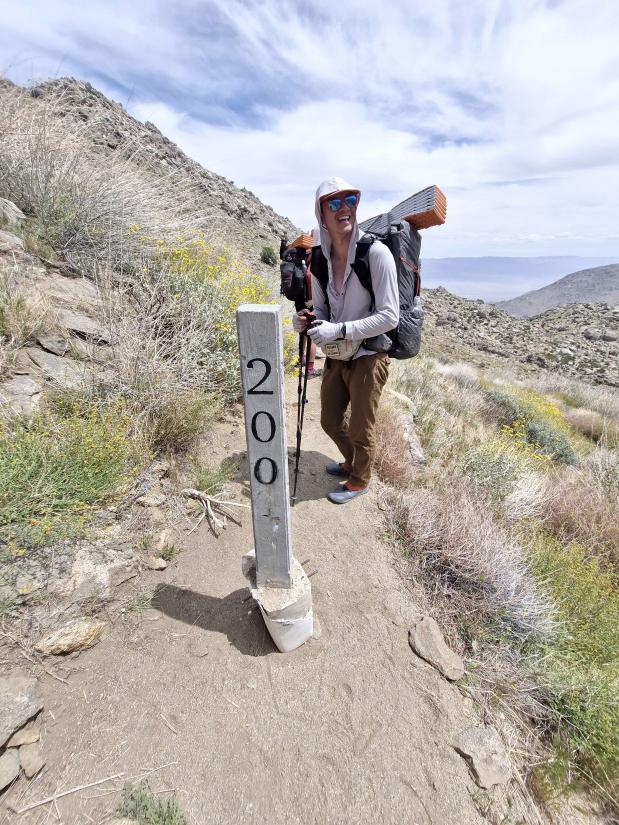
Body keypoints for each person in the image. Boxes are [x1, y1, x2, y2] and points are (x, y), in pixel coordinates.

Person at [293, 177, 399, 504]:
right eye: (334, 203)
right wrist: (308, 322)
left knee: (360, 428)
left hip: (369, 354)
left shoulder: (376, 255)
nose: (345, 209)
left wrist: (337, 331)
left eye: (350, 200)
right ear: (321, 214)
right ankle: (353, 462)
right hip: (339, 354)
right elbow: (323, 307)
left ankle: (359, 479)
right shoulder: (321, 261)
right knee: (328, 419)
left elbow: (389, 316)